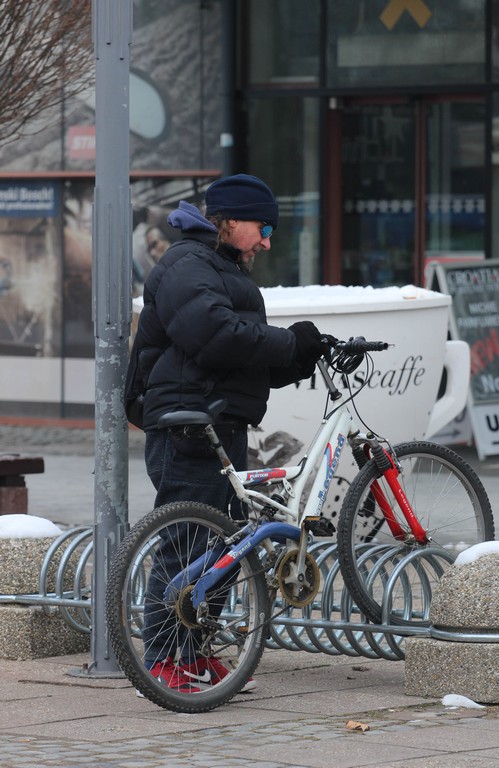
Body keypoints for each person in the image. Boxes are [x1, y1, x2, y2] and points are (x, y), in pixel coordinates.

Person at [134, 173, 326, 694]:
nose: (267, 240)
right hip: (188, 423)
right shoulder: (186, 263)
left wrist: (305, 352)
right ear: (231, 220)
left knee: (224, 543)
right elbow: (216, 335)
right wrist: (288, 344)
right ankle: (163, 659)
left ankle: (194, 651)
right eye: (263, 227)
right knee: (188, 543)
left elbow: (238, 357)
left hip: (219, 420)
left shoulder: (219, 265)